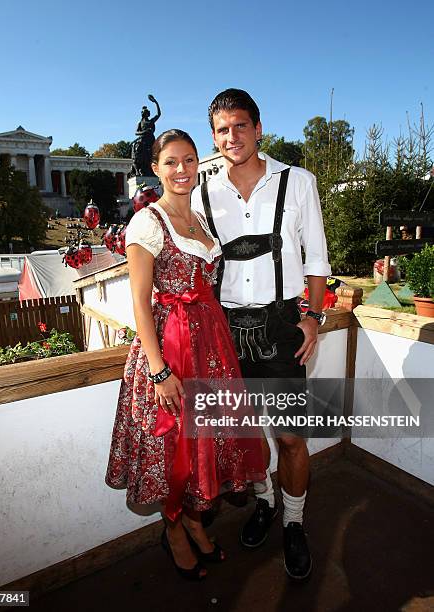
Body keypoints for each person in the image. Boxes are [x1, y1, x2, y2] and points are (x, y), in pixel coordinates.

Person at [106, 129, 265, 581]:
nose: (181, 170)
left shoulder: (199, 219)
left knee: (205, 443)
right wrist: (159, 373)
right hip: (172, 348)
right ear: (155, 168)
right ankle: (175, 529)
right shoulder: (146, 222)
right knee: (175, 443)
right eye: (171, 162)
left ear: (199, 165)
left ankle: (194, 520)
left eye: (190, 160)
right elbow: (139, 302)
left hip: (211, 346)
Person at [191, 89, 331, 580]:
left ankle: (294, 522)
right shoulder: (202, 192)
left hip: (281, 326)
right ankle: (266, 504)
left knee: (291, 437)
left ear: (258, 130)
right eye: (223, 130)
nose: (232, 137)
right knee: (246, 434)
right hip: (225, 332)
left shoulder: (299, 182)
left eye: (241, 126)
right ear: (214, 137)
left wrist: (313, 316)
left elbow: (316, 257)